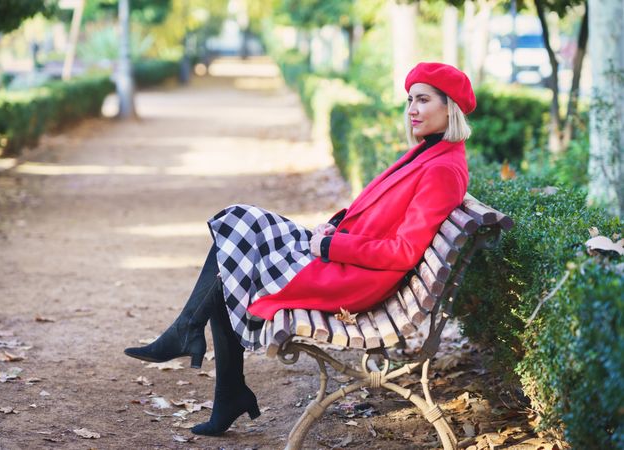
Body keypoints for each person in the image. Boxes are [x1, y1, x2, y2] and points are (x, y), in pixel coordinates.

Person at [124, 62, 476, 436]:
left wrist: (329, 244)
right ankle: (208, 360)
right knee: (238, 227)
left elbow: (403, 251)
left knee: (237, 248)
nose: (412, 110)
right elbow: (379, 213)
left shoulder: (442, 169)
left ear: (449, 106)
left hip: (352, 279)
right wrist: (337, 226)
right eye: (409, 100)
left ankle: (195, 346)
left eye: (423, 100)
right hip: (343, 258)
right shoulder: (431, 153)